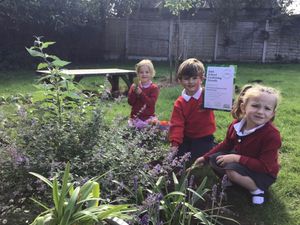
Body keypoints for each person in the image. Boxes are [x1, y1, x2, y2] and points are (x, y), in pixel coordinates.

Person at [194, 84, 282, 205]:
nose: (261, 112)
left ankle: (257, 190)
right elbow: (225, 145)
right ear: (244, 106)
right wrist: (205, 157)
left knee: (232, 170)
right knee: (215, 159)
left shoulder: (271, 135)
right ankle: (235, 182)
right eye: (255, 106)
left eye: (267, 109)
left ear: (272, 113)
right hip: (245, 163)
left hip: (264, 173)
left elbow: (265, 166)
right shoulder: (236, 125)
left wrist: (236, 158)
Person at [169, 58, 216, 161]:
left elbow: (221, 101)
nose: (190, 82)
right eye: (186, 78)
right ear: (180, 80)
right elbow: (177, 124)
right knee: (178, 159)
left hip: (205, 137)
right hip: (187, 136)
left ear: (201, 79)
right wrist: (175, 143)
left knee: (199, 159)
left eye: (194, 78)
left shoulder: (207, 95)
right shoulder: (179, 103)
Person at [128, 59, 159, 129]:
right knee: (134, 130)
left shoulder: (154, 88)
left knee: (151, 128)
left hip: (148, 117)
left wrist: (141, 93)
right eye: (141, 72)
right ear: (138, 74)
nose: (144, 74)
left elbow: (151, 103)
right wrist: (133, 92)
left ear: (151, 73)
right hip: (136, 117)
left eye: (147, 72)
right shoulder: (135, 86)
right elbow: (130, 102)